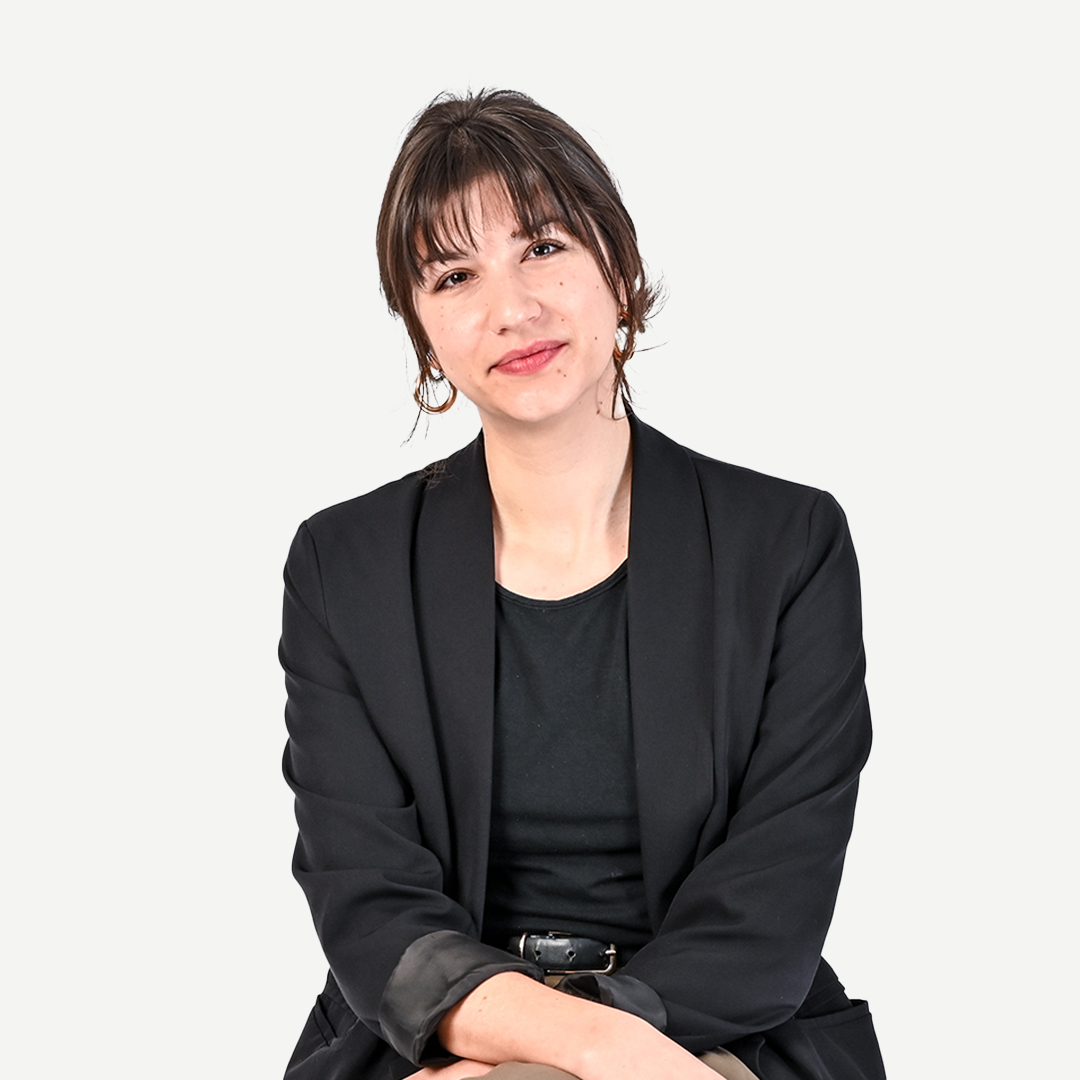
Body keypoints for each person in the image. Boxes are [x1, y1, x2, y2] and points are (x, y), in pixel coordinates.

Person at [280, 89, 886, 1080]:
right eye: (454, 275)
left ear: (619, 264)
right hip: (440, 1036)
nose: (512, 308)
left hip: (716, 1032)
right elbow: (369, 898)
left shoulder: (787, 546)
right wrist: (566, 1045)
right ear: (424, 332)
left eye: (544, 247)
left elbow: (770, 903)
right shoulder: (342, 567)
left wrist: (589, 1054)